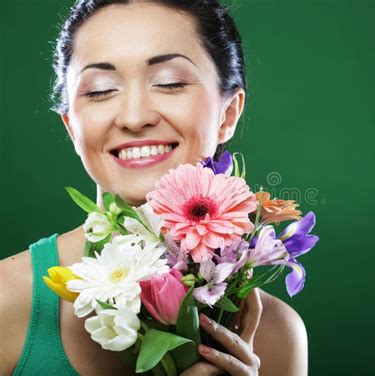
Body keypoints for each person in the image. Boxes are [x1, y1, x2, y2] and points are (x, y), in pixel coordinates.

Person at [0, 1, 308, 375]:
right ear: (71, 126)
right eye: (100, 90)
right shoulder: (7, 302)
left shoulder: (273, 333)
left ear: (228, 113)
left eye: (169, 83)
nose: (134, 117)